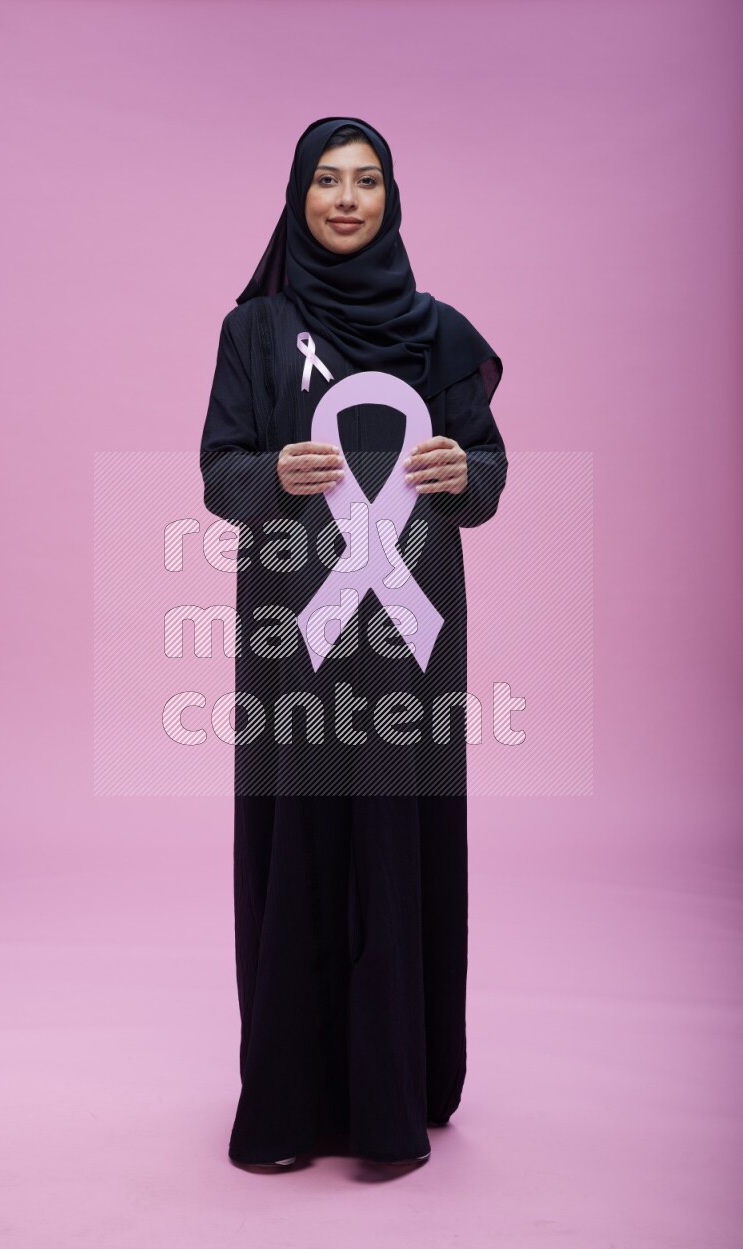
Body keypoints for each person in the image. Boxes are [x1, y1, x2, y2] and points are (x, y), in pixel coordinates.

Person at [199, 116, 507, 1169]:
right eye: (324, 180)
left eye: (363, 181)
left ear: (389, 197)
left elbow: (486, 475)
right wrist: (265, 477)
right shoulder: (253, 332)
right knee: (298, 840)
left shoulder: (441, 334)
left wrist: (459, 475)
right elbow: (217, 469)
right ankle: (288, 1102)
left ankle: (399, 1092)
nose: (343, 199)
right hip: (293, 631)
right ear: (296, 196)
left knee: (396, 839)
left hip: (410, 641)